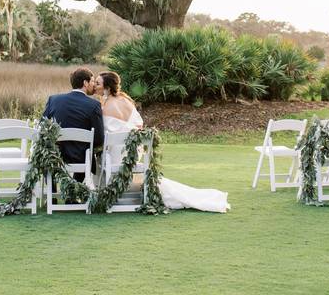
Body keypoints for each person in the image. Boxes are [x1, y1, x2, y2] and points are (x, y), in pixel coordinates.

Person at [97, 70, 230, 213]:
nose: (95, 85)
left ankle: (103, 193)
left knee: (97, 159)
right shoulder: (126, 100)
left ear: (107, 87)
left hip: (116, 154)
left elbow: (103, 133)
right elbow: (139, 125)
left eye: (98, 83)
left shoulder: (104, 106)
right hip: (133, 151)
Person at [41, 67, 104, 184]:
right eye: (92, 81)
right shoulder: (94, 105)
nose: (94, 85)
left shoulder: (53, 100)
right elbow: (99, 138)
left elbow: (42, 127)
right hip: (81, 157)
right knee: (87, 154)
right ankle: (74, 192)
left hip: (55, 154)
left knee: (48, 152)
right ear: (85, 83)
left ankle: (51, 193)